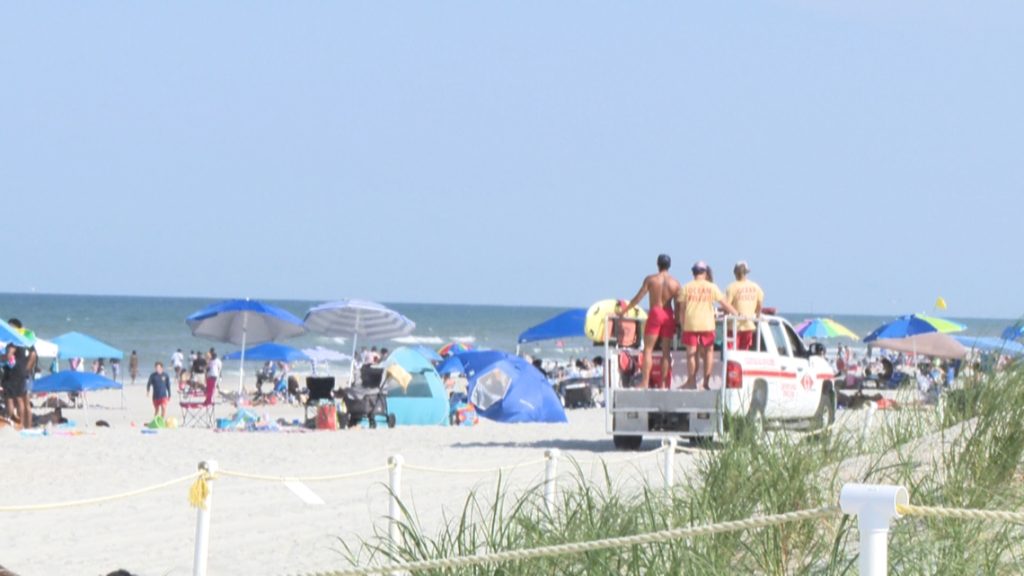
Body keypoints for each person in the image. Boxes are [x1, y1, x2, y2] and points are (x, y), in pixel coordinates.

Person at [620, 254, 681, 389]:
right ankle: (664, 384)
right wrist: (677, 322)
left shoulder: (651, 279)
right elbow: (678, 307)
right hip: (668, 314)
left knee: (648, 350)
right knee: (666, 352)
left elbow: (638, 298)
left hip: (655, 312)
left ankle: (645, 382)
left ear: (657, 264)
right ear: (669, 266)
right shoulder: (675, 283)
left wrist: (624, 311)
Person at [677, 261, 737, 390]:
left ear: (693, 272)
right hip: (707, 324)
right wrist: (737, 314)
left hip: (691, 324)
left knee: (691, 354)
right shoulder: (712, 287)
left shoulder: (686, 287)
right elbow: (724, 304)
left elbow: (681, 310)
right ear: (704, 273)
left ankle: (691, 382)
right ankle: (705, 383)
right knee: (709, 352)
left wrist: (682, 325)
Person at [725, 261, 764, 351]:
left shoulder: (731, 287)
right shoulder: (755, 287)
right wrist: (757, 316)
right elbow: (759, 305)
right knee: (744, 354)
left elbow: (727, 306)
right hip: (749, 324)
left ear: (735, 272)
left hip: (734, 326)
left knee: (732, 355)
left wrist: (725, 315)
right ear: (746, 272)